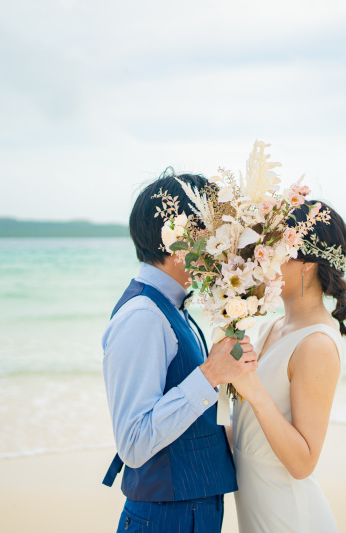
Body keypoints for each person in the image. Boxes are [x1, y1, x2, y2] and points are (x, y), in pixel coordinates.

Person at [102, 169, 259, 533]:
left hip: (189, 511)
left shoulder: (172, 306)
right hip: (165, 517)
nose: (221, 243)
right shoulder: (143, 315)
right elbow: (133, 443)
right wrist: (210, 374)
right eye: (213, 231)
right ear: (178, 237)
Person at [230, 200, 346, 533]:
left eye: (275, 249)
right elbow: (247, 434)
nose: (263, 258)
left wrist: (253, 391)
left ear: (307, 264)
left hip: (290, 518)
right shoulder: (270, 327)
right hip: (258, 511)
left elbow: (303, 463)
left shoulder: (316, 345)